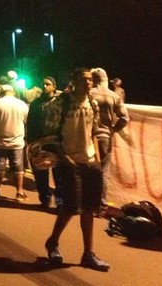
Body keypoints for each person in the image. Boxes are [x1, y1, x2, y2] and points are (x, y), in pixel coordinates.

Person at [43, 68, 109, 272]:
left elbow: (94, 133)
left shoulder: (93, 104)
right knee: (71, 207)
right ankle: (53, 241)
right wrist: (67, 159)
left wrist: (96, 160)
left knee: (89, 208)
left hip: (89, 161)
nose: (88, 83)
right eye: (84, 79)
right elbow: (50, 137)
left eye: (90, 80)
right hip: (68, 163)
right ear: (73, 81)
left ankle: (88, 253)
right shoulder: (59, 105)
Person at [90, 68, 129, 206]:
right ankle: (101, 204)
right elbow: (124, 118)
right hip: (105, 137)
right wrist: (113, 130)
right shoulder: (114, 96)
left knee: (87, 170)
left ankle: (87, 202)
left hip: (88, 137)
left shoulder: (88, 94)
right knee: (103, 172)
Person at [0, 84, 29, 201]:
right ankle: (20, 192)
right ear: (13, 92)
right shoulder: (22, 105)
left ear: (2, 92)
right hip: (17, 142)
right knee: (18, 167)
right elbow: (26, 122)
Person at [27, 76, 63, 208]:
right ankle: (45, 200)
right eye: (42, 84)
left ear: (54, 87)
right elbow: (30, 122)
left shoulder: (60, 103)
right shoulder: (36, 104)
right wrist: (30, 142)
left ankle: (60, 203)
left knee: (59, 176)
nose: (44, 86)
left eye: (48, 84)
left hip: (56, 144)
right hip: (38, 144)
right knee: (40, 175)